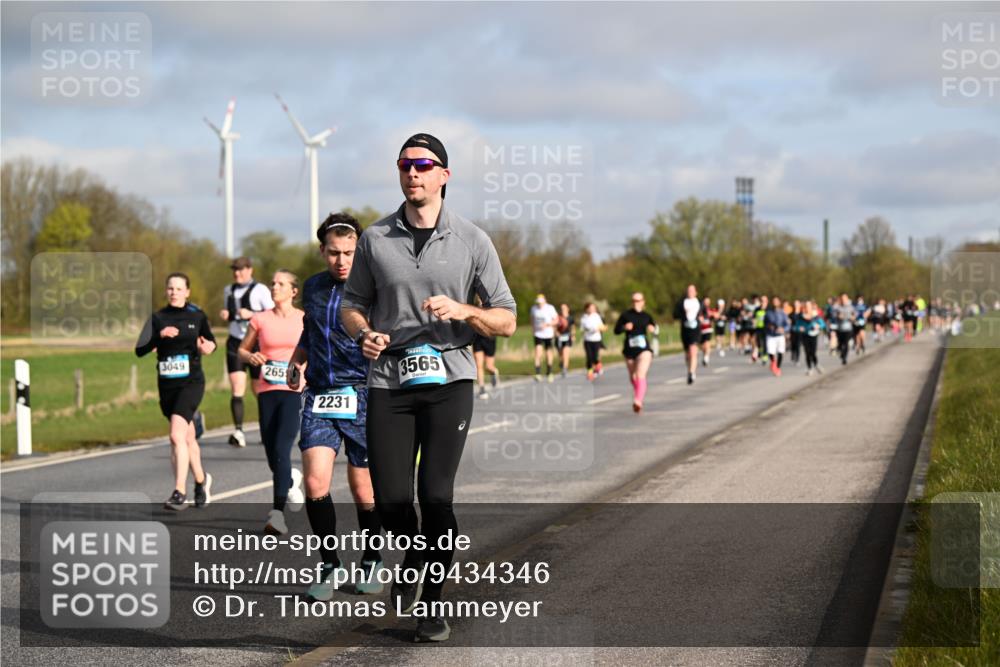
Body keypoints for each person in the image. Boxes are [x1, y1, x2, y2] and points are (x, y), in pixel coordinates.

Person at [340, 133, 516, 642]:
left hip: (449, 378)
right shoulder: (374, 239)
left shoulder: (472, 239)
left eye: (423, 165)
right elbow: (353, 304)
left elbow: (506, 319)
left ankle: (431, 607)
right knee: (392, 501)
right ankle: (416, 554)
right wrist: (364, 333)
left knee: (435, 497)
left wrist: (465, 311)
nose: (412, 173)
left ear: (444, 174)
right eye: (404, 165)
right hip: (389, 379)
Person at [286, 213, 386, 600]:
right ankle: (329, 563)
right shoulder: (312, 287)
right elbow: (309, 332)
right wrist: (297, 361)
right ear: (322, 251)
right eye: (333, 253)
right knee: (315, 482)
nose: (341, 261)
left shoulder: (376, 287)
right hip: (320, 394)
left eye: (349, 252)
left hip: (364, 393)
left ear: (359, 250)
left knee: (364, 490)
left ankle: (372, 558)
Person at [135, 273, 216, 511]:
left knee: (175, 436)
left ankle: (179, 491)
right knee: (187, 438)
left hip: (191, 383)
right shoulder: (157, 318)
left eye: (179, 288)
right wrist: (158, 337)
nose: (174, 292)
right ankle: (201, 481)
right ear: (166, 291)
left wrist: (208, 347)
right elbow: (139, 350)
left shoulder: (197, 315)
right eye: (170, 288)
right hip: (167, 384)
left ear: (187, 292)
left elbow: (210, 342)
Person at [237, 270, 306, 535]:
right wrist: (250, 357)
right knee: (271, 454)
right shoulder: (260, 319)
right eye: (272, 283)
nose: (274, 287)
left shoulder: (304, 319)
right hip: (266, 390)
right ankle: (290, 480)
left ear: (293, 291)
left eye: (280, 284)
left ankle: (277, 513)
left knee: (281, 447)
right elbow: (242, 350)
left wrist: (305, 370)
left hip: (293, 390)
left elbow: (313, 348)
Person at [220, 257, 274, 448]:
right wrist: (226, 314)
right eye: (235, 270)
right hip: (235, 343)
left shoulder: (261, 290)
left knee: (259, 389)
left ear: (250, 270)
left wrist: (251, 314)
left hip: (257, 343)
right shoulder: (228, 290)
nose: (237, 273)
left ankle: (267, 429)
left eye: (241, 270)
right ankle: (238, 431)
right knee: (237, 388)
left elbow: (273, 314)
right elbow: (229, 312)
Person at [616, 292, 656, 410]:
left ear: (643, 302)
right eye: (634, 300)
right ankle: (639, 392)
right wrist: (624, 328)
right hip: (629, 349)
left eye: (638, 300)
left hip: (644, 349)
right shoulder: (625, 315)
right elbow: (616, 330)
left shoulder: (647, 316)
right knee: (633, 377)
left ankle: (638, 400)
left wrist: (652, 328)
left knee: (640, 374)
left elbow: (655, 328)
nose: (636, 303)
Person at [530, 294, 558, 382]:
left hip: (548, 334)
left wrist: (547, 324)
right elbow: (532, 319)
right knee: (538, 352)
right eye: (538, 303)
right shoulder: (533, 308)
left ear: (545, 301)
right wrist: (533, 328)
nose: (539, 304)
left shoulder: (550, 308)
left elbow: (556, 320)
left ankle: (549, 372)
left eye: (541, 303)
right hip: (538, 334)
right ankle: (538, 373)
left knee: (548, 353)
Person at [798, 300, 826, 376]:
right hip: (805, 335)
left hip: (814, 335)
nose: (807, 308)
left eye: (808, 306)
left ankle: (816, 364)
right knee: (807, 353)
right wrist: (799, 328)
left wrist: (819, 326)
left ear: (811, 307)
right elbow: (797, 326)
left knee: (813, 352)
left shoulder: (815, 316)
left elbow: (823, 324)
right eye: (805, 306)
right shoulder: (801, 316)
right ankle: (809, 368)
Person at [580, 302, 607, 381]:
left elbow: (602, 326)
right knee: (589, 357)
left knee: (595, 357)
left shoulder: (597, 316)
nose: (592, 309)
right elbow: (582, 329)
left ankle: (598, 365)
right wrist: (587, 330)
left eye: (594, 308)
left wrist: (601, 328)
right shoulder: (583, 318)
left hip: (596, 339)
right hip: (587, 340)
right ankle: (590, 373)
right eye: (591, 308)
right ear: (587, 309)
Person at [764, 296, 790, 376]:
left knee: (780, 352)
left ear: (779, 302)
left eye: (776, 301)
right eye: (773, 301)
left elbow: (787, 325)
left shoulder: (783, 313)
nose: (775, 302)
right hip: (771, 335)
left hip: (780, 336)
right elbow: (765, 324)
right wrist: (769, 326)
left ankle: (778, 368)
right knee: (770, 351)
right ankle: (773, 362)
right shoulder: (768, 313)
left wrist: (783, 329)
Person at [473, 330, 499, 399]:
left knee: (489, 366)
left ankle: (493, 372)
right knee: (479, 365)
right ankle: (482, 389)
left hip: (490, 338)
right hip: (477, 338)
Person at [833, 293, 856, 365]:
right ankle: (840, 351)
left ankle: (844, 357)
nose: (843, 300)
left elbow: (854, 316)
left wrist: (852, 318)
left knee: (846, 343)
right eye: (842, 298)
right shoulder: (837, 307)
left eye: (845, 298)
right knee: (840, 343)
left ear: (847, 299)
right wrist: (838, 316)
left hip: (848, 328)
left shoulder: (851, 307)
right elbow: (835, 316)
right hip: (840, 328)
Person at [555, 303, 575, 378]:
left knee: (565, 352)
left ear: (567, 309)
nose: (563, 309)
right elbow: (554, 327)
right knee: (560, 354)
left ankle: (564, 369)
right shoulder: (558, 318)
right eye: (561, 308)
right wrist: (556, 333)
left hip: (567, 337)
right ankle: (562, 362)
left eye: (564, 308)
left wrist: (573, 336)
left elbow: (573, 327)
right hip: (559, 338)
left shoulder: (570, 318)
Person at [698, 296, 716, 367]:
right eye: (706, 301)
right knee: (702, 345)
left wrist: (713, 315)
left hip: (708, 328)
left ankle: (706, 358)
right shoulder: (700, 309)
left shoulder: (710, 309)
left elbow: (714, 316)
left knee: (707, 342)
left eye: (708, 301)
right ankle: (705, 355)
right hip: (701, 329)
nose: (707, 303)